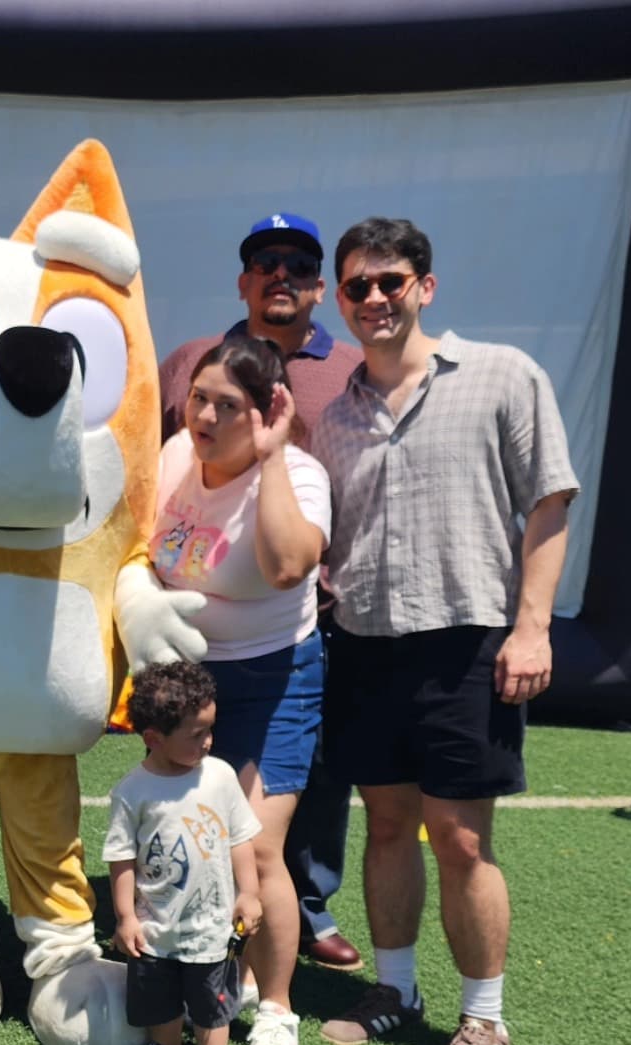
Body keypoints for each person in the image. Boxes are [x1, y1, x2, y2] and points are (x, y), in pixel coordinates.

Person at [311, 217, 578, 1045]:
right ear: (341, 298)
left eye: (391, 281)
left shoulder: (503, 374)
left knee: (460, 839)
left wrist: (532, 627)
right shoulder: (335, 417)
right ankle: (395, 991)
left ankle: (484, 1018)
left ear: (425, 286)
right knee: (387, 825)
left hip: (467, 642)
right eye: (358, 285)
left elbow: (550, 502)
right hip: (364, 645)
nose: (375, 298)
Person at [159, 213, 363, 975]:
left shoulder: (349, 368)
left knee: (307, 786)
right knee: (207, 803)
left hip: (308, 613)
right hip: (200, 636)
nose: (281, 274)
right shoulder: (192, 361)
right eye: (265, 262)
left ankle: (307, 909)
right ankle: (203, 933)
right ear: (244, 281)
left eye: (298, 265)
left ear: (319, 287)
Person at [149, 333, 330, 1045]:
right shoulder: (172, 456)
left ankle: (278, 1008)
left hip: (273, 679)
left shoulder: (299, 475)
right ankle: (225, 975)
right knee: (190, 838)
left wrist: (273, 455)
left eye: (229, 406)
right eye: (200, 399)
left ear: (266, 411)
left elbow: (288, 566)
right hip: (185, 685)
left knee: (253, 849)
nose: (207, 417)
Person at [105, 661, 262, 1045]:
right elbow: (121, 859)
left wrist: (249, 893)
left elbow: (240, 839)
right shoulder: (132, 791)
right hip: (155, 925)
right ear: (154, 738)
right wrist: (126, 917)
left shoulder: (220, 776)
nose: (208, 741)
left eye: (211, 729)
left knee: (213, 1004)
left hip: (212, 925)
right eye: (197, 734)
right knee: (160, 998)